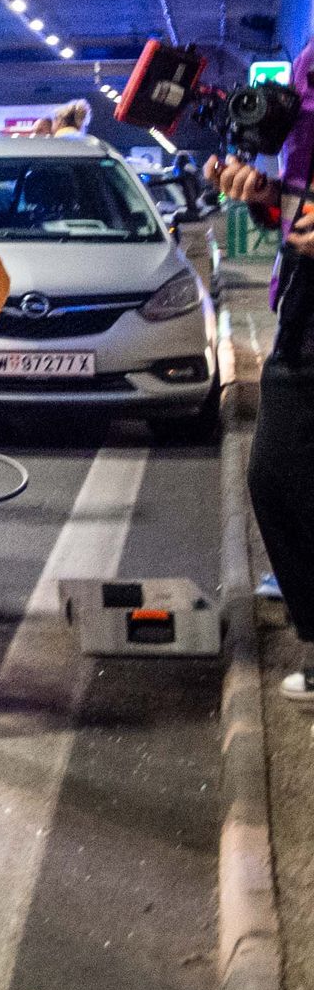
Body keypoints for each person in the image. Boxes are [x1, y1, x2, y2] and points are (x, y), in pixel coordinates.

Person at [212, 152, 314, 631]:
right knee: (276, 479)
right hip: (301, 304)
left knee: (277, 474)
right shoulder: (303, 79)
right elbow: (298, 202)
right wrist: (268, 198)